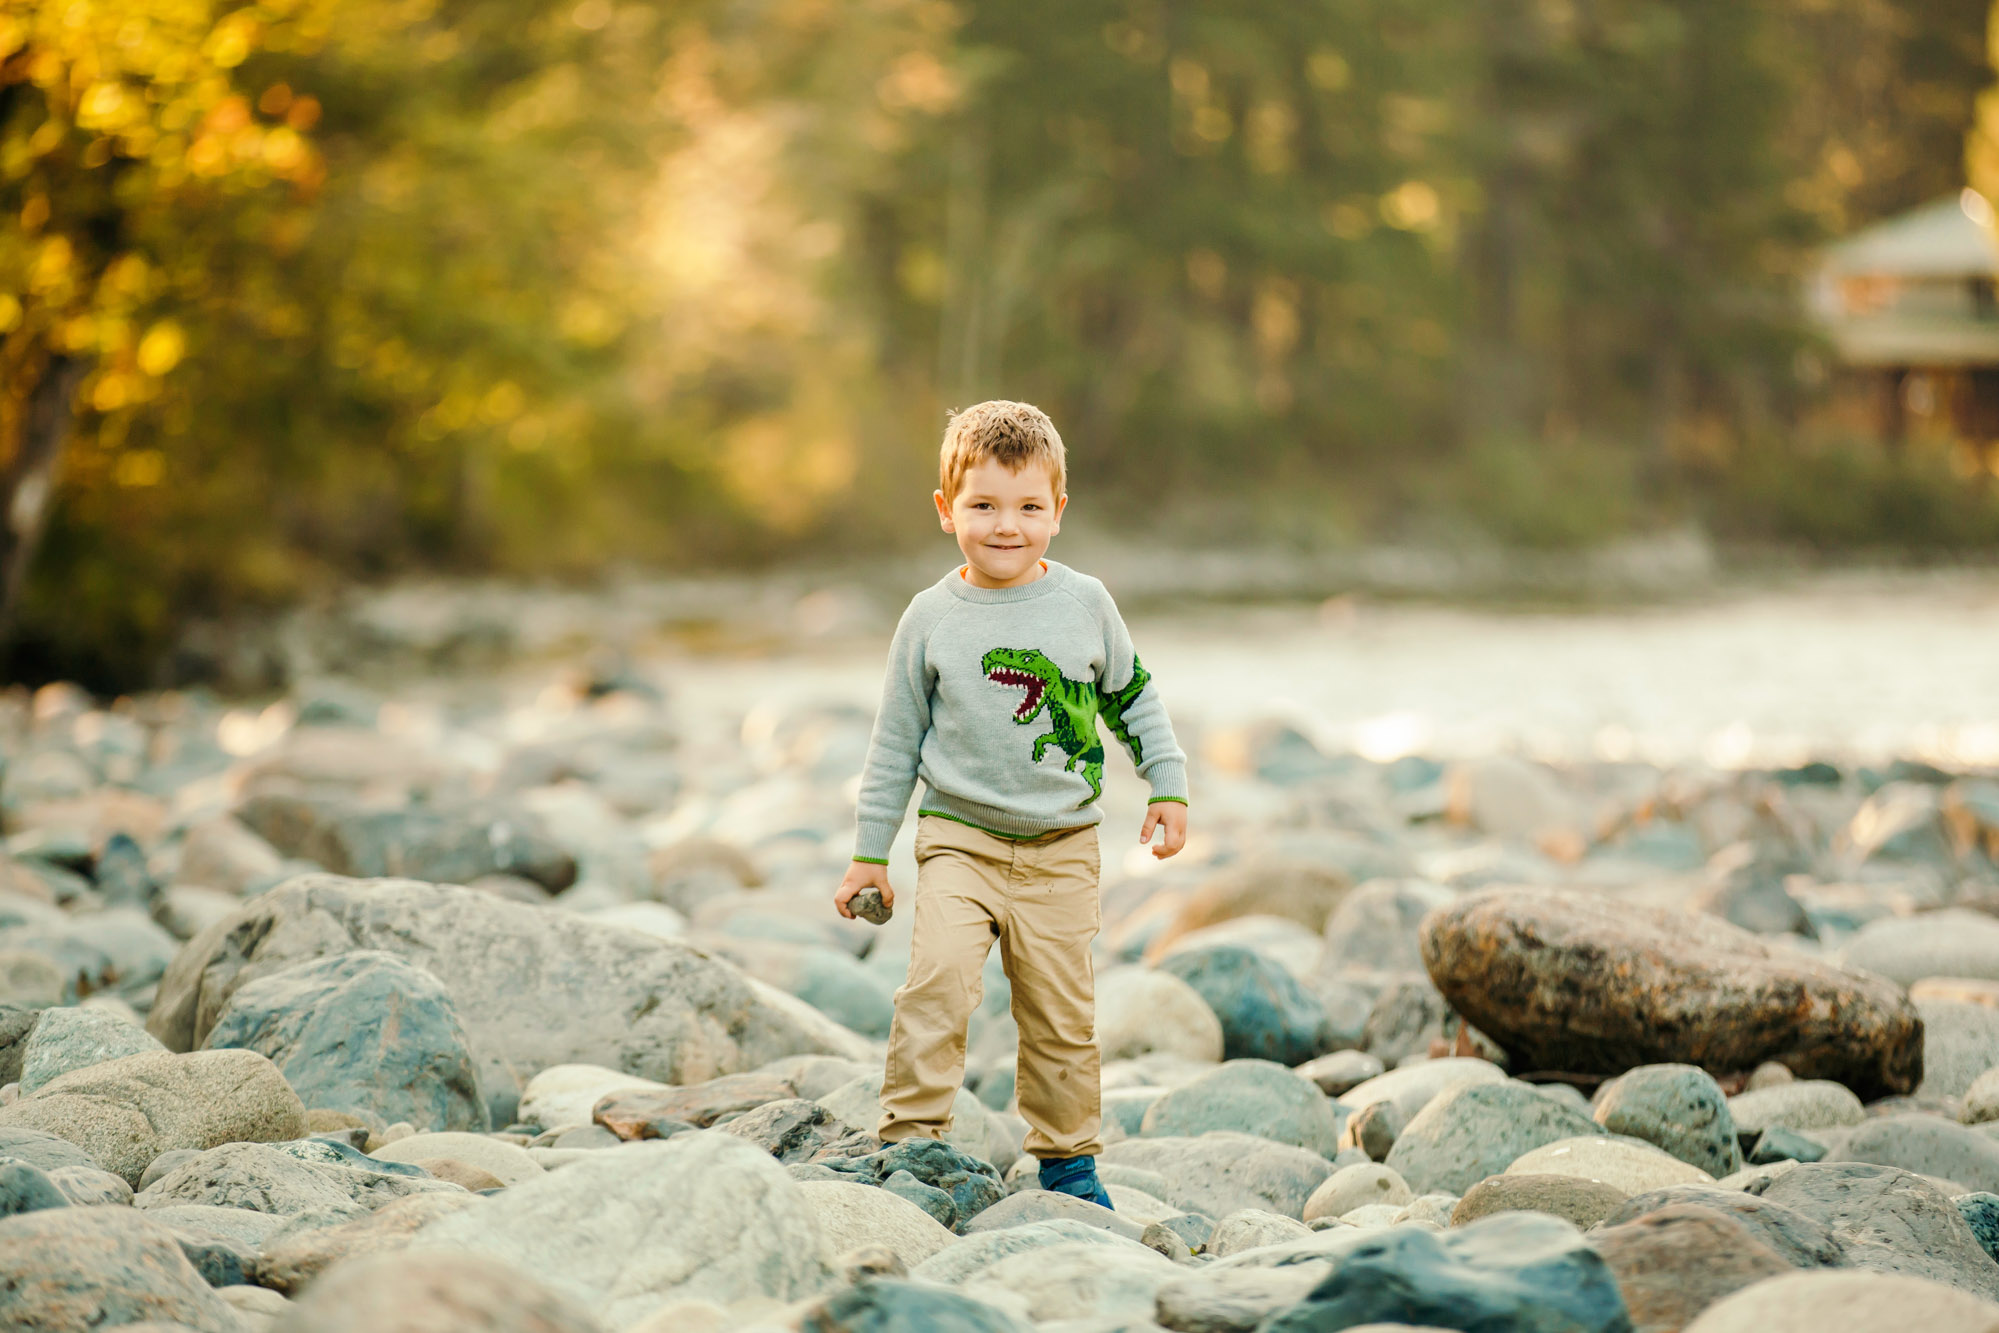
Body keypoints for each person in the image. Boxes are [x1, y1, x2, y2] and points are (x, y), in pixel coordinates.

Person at [833, 399, 1189, 1210]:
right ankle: (911, 1142)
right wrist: (868, 852)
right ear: (944, 509)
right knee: (936, 982)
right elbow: (893, 743)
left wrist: (1165, 782)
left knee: (1060, 1012)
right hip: (958, 838)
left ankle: (1068, 1161)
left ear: (1057, 512)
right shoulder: (929, 618)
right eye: (983, 505)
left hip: (1062, 845)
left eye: (1028, 506)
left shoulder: (1086, 602)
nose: (1005, 526)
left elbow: (1132, 698)